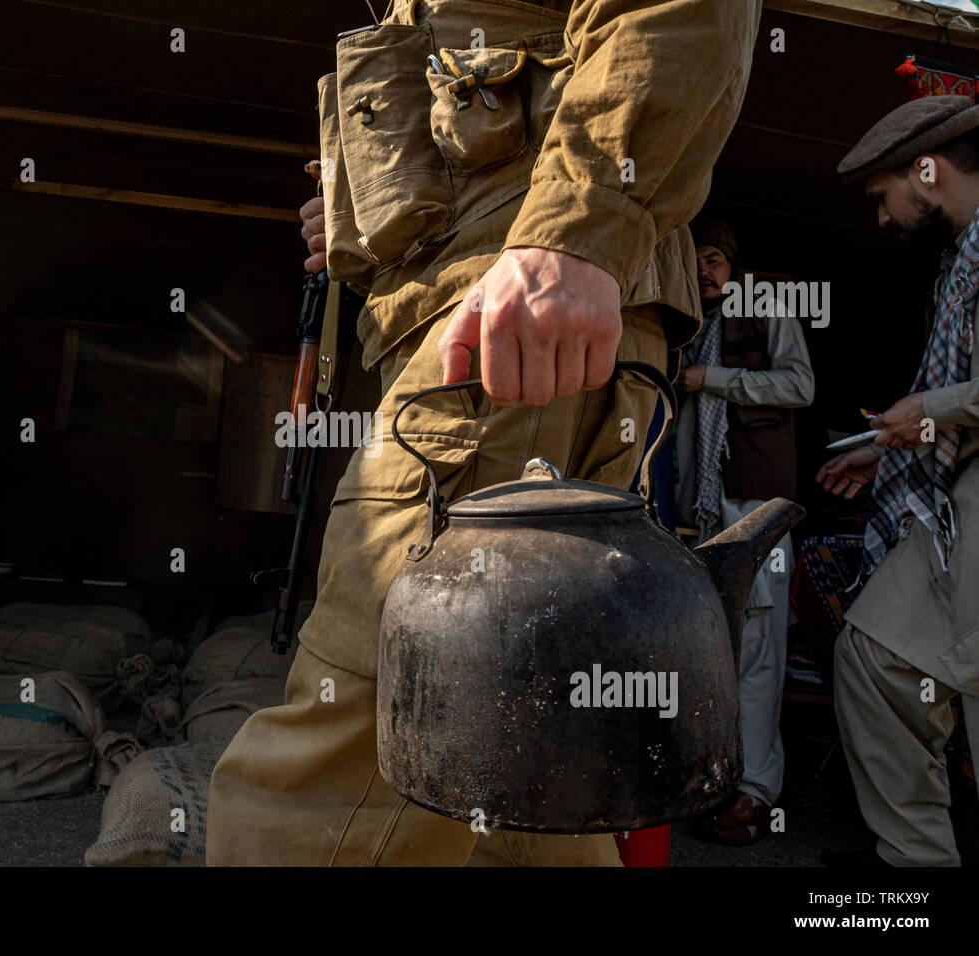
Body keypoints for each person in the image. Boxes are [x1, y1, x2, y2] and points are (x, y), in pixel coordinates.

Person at [207, 0, 765, 866]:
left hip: (507, 336)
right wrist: (356, 227)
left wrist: (576, 236)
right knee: (526, 758)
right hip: (486, 319)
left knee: (372, 723)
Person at [817, 94, 979, 867]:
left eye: (884, 198)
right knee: (873, 658)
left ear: (927, 169)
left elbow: (957, 398)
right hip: (960, 505)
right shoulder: (960, 264)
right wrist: (894, 444)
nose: (881, 220)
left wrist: (933, 409)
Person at [672, 220, 815, 845]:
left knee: (758, 650)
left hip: (753, 508)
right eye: (693, 260)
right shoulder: (680, 324)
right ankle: (701, 781)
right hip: (690, 515)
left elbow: (799, 385)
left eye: (714, 259)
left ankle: (755, 791)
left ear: (732, 263)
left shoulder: (766, 305)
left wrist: (715, 381)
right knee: (698, 651)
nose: (704, 272)